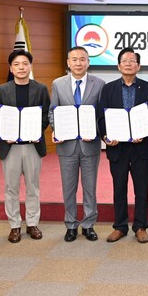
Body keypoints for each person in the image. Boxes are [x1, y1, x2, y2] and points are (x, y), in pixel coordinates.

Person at [0, 49, 50, 243]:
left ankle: (32, 223)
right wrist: (5, 132)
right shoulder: (2, 90)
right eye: (16, 64)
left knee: (33, 187)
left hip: (33, 146)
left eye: (25, 64)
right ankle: (14, 226)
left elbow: (46, 114)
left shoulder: (40, 89)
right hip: (10, 147)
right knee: (11, 188)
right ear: (11, 68)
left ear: (30, 66)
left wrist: (36, 131)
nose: (21, 67)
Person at [98, 47, 148, 243]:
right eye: (125, 61)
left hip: (141, 147)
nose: (129, 64)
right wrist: (106, 137)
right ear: (118, 66)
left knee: (141, 189)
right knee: (119, 188)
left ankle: (140, 226)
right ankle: (120, 226)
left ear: (138, 66)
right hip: (117, 147)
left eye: (133, 61)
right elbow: (101, 117)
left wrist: (146, 132)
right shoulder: (108, 89)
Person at [49, 46, 105, 242]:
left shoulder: (99, 84)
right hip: (67, 145)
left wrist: (96, 131)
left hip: (90, 145)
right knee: (69, 188)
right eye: (74, 59)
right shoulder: (58, 84)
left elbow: (101, 114)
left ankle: (89, 225)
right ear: (68, 62)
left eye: (82, 59)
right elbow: (53, 111)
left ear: (88, 62)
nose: (78, 63)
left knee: (90, 188)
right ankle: (71, 225)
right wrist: (57, 129)